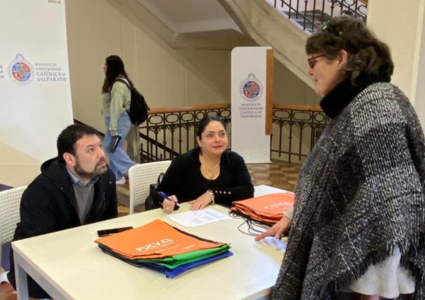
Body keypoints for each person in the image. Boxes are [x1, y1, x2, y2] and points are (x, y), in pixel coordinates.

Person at [270, 16, 425, 300]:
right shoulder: (358, 104)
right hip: (358, 269)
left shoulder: (375, 109)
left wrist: (372, 292)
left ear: (341, 58)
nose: (309, 69)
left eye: (314, 60)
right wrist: (296, 215)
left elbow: (387, 211)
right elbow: (342, 182)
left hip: (365, 282)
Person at [7, 124, 118, 299]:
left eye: (100, 147)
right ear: (70, 159)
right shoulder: (41, 191)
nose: (101, 154)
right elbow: (40, 248)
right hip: (41, 267)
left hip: (84, 256)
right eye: (91, 150)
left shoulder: (106, 178)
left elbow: (109, 225)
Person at [152, 116, 254, 212]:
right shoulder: (183, 162)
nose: (218, 139)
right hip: (188, 220)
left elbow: (248, 191)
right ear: (199, 141)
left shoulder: (234, 160)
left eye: (222, 134)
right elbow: (158, 193)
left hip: (224, 220)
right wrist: (166, 200)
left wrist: (212, 194)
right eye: (210, 135)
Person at [101, 55, 135, 184]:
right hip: (118, 119)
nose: (103, 67)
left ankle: (134, 169)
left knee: (110, 148)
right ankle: (117, 176)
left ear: (111, 67)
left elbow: (116, 107)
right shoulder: (118, 82)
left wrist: (113, 128)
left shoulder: (118, 85)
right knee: (115, 148)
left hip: (119, 119)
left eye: (106, 64)